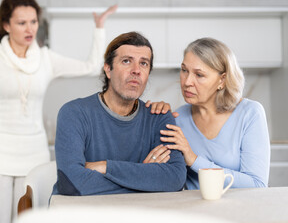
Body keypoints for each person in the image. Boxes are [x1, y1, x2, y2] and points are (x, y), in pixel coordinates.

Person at [0, 0, 117, 223]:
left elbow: (92, 67)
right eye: (21, 23)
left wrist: (99, 28)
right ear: (6, 25)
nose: (29, 28)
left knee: (30, 219)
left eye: (33, 22)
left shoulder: (45, 58)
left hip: (34, 156)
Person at [53, 31, 187, 196]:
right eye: (126, 61)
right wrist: (145, 178)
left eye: (144, 63)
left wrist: (105, 167)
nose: (136, 70)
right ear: (108, 70)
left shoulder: (159, 116)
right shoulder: (74, 114)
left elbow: (175, 178)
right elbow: (71, 183)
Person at [159, 37, 270, 189]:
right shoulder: (177, 120)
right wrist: (152, 117)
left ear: (222, 80)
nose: (186, 82)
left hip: (240, 210)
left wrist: (194, 160)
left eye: (199, 75)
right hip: (190, 211)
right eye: (184, 70)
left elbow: (257, 185)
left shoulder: (250, 113)